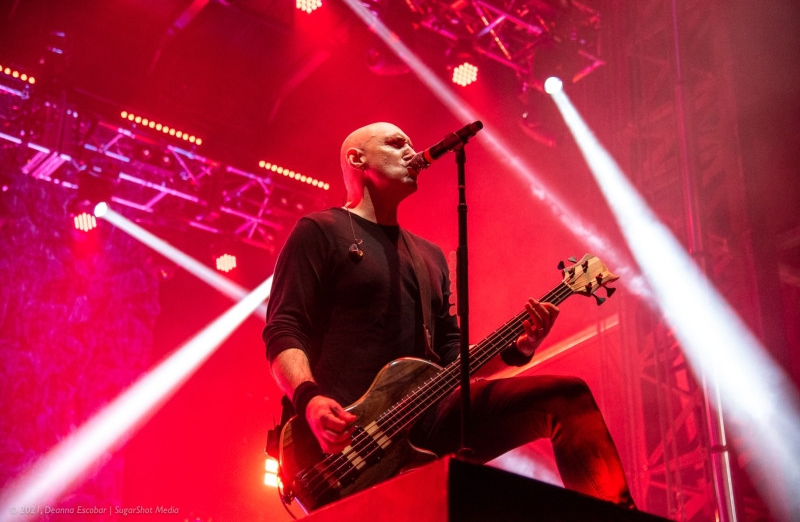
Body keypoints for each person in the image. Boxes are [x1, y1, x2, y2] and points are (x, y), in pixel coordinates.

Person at [263, 122, 636, 509]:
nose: (412, 151)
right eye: (395, 144)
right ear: (357, 159)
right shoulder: (320, 231)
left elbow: (454, 361)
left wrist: (518, 350)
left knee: (566, 396)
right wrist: (309, 399)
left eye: (411, 142)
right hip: (342, 436)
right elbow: (284, 328)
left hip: (428, 419)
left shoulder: (429, 257)